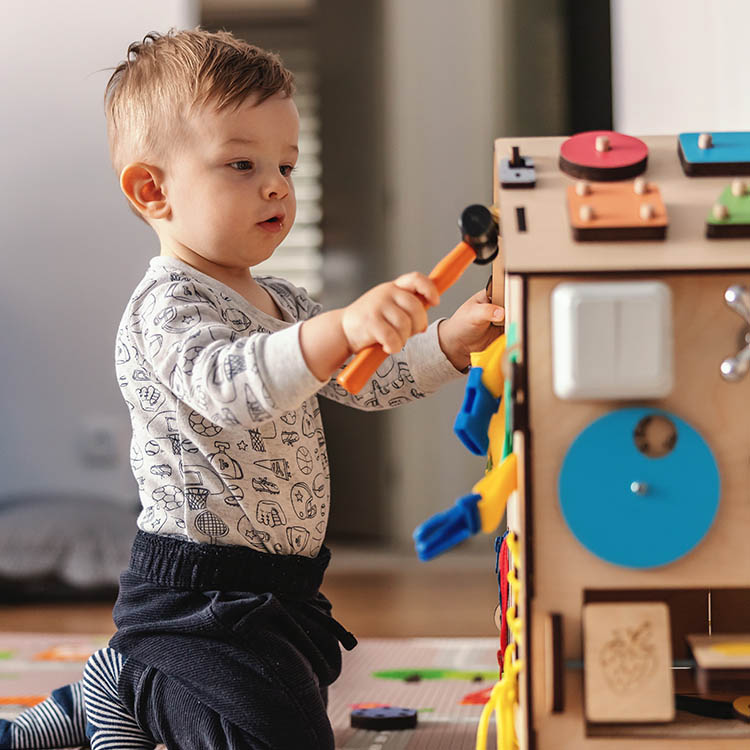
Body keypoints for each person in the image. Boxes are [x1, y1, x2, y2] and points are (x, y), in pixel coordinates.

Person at [0, 28, 503, 750]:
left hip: (283, 588)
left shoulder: (283, 300)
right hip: (195, 596)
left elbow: (368, 383)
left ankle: (119, 688)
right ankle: (134, 680)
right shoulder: (165, 306)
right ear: (152, 190)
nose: (276, 185)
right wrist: (339, 327)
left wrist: (451, 340)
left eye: (286, 165)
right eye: (242, 163)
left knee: (286, 712)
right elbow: (231, 386)